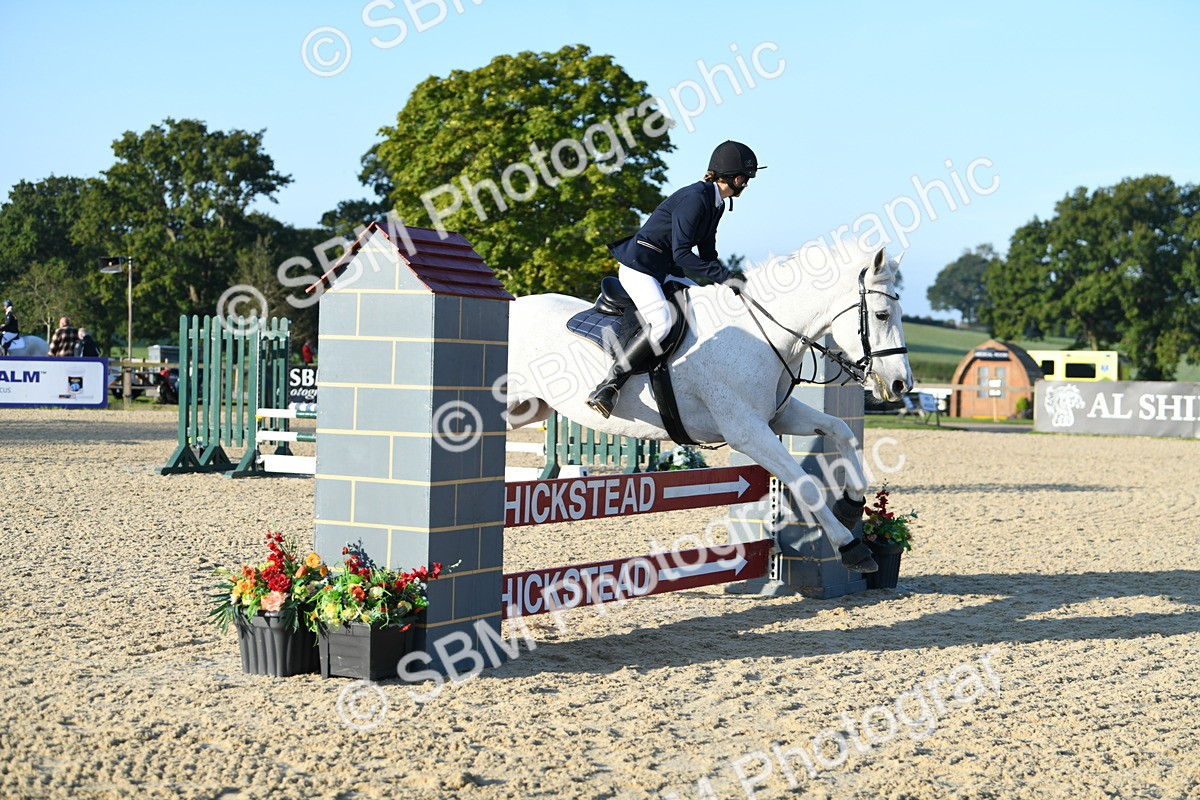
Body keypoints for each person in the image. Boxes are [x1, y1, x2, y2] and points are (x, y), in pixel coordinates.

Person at [585, 140, 763, 418]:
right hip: (640, 267)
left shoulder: (716, 203)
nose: (747, 185)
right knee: (662, 322)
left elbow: (707, 253)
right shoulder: (696, 199)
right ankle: (609, 385)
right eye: (746, 179)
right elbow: (682, 254)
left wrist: (729, 283)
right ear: (735, 177)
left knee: (709, 305)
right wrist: (724, 276)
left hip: (665, 269)